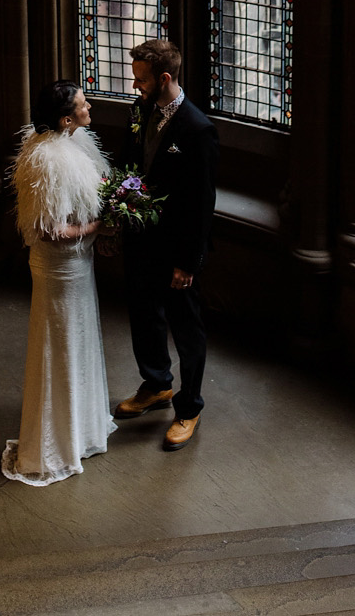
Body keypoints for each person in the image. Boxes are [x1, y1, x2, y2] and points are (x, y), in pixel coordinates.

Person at [1, 80, 116, 485]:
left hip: (77, 263)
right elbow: (48, 230)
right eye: (84, 106)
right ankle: (53, 446)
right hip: (59, 267)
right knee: (60, 345)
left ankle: (81, 432)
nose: (90, 110)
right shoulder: (47, 159)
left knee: (79, 339)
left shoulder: (76, 142)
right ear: (67, 118)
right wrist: (101, 226)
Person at [114, 38, 218, 451]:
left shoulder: (197, 129)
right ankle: (156, 384)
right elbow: (129, 167)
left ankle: (189, 406)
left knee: (187, 330)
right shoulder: (140, 111)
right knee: (143, 315)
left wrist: (187, 263)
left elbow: (201, 204)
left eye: (141, 79)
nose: (134, 84)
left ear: (164, 79)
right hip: (141, 241)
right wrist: (117, 223)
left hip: (177, 252)